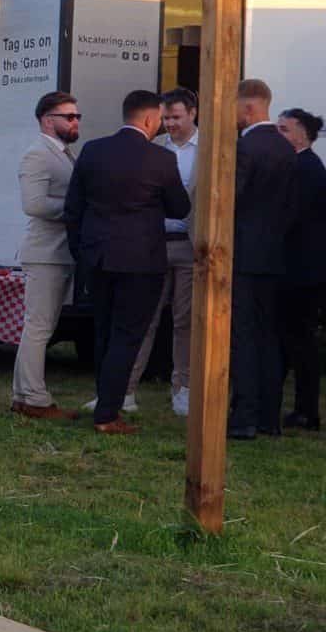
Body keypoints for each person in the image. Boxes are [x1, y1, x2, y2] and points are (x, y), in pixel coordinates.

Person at [63, 90, 189, 435]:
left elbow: (73, 209)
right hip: (141, 260)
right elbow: (180, 207)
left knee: (104, 331)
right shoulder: (161, 159)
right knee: (127, 335)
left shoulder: (93, 151)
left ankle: (104, 400)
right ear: (150, 119)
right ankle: (107, 413)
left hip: (98, 258)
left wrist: (82, 252)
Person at [117, 88, 198, 417]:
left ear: (193, 113)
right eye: (165, 118)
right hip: (155, 243)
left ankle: (183, 388)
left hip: (193, 246)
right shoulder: (154, 148)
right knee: (144, 317)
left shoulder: (212, 149)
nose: (170, 124)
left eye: (176, 117)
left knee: (186, 321)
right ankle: (125, 390)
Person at [228, 80, 297, 440]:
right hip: (276, 255)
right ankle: (270, 417)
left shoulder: (246, 148)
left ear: (249, 108)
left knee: (242, 336)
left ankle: (243, 417)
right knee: (269, 337)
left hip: (243, 255)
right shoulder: (288, 150)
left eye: (235, 107)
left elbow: (232, 201)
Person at [11, 91, 82, 419]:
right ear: (47, 120)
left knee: (39, 326)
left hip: (56, 252)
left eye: (76, 116)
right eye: (68, 116)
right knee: (39, 327)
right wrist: (77, 209)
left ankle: (23, 395)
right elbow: (35, 204)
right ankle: (35, 399)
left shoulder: (63, 153)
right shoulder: (38, 154)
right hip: (45, 253)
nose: (75, 121)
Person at [276, 107, 326, 432]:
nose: (279, 134)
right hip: (307, 267)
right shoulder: (305, 166)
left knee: (299, 339)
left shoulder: (303, 169)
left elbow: (291, 218)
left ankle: (306, 411)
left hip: (305, 270)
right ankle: (302, 408)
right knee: (297, 338)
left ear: (302, 134)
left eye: (284, 129)